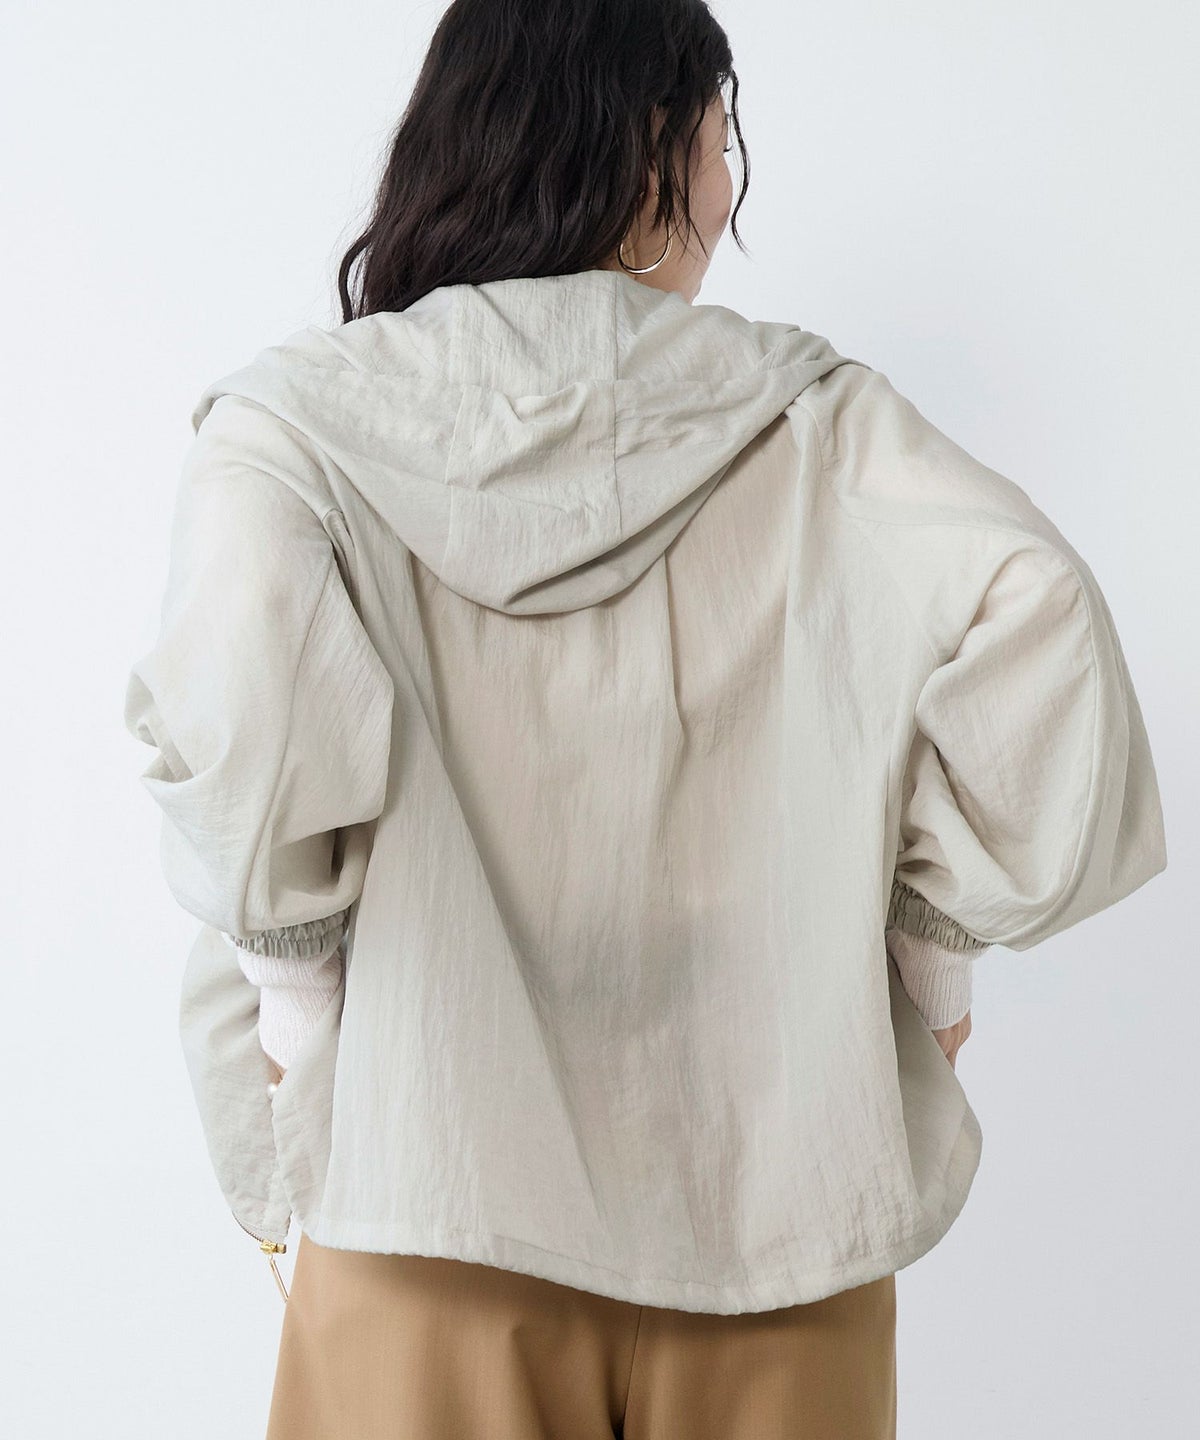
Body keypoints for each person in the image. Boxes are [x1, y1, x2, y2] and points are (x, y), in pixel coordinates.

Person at [121, 2, 1168, 1436]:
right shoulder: (823, 423)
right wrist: (934, 959)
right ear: (646, 157)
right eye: (720, 139)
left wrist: (300, 1020)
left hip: (424, 1211)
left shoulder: (299, 427)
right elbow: (1037, 606)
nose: (729, 188)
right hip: (779, 1238)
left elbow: (238, 700)